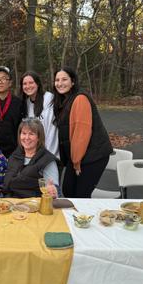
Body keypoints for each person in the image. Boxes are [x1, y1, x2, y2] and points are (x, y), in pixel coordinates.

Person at [53, 66, 112, 198]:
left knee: (81, 196)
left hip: (92, 156)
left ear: (72, 81)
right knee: (68, 191)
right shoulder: (65, 100)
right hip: (78, 157)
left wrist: (76, 161)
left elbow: (81, 133)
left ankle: (83, 218)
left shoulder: (80, 99)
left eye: (64, 79)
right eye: (57, 80)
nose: (60, 83)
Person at [3, 118, 59, 198]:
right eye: (24, 133)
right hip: (10, 203)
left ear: (39, 137)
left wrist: (52, 190)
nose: (26, 137)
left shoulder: (47, 160)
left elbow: (52, 190)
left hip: (34, 205)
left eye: (31, 134)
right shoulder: (14, 156)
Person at [20, 70, 59, 157]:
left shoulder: (49, 99)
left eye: (31, 82)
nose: (28, 86)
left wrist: (49, 155)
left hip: (51, 154)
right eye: (25, 84)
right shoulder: (26, 104)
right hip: (35, 155)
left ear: (37, 84)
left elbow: (52, 130)